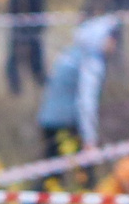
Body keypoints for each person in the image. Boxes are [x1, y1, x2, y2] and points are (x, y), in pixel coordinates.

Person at [37, 12, 116, 168]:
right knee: (84, 179)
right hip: (67, 124)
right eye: (112, 40)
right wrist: (90, 140)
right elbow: (87, 101)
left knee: (51, 176)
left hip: (49, 120)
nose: (114, 46)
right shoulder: (91, 62)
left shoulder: (71, 53)